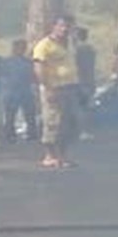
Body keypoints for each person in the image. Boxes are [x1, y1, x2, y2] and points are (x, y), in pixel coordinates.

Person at [32, 15, 82, 168]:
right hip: (54, 88)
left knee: (70, 123)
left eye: (68, 26)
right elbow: (38, 68)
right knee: (53, 122)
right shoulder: (44, 45)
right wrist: (47, 88)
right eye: (61, 26)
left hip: (70, 87)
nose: (65, 29)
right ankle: (50, 156)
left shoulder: (70, 44)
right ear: (54, 26)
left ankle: (63, 155)